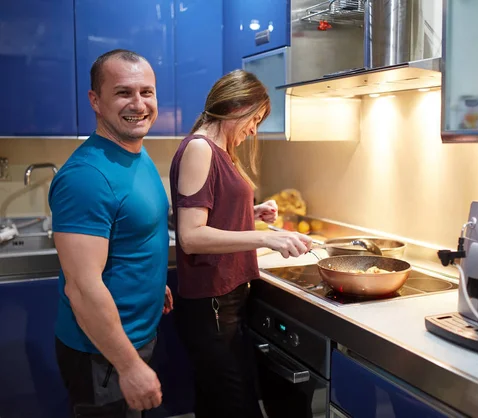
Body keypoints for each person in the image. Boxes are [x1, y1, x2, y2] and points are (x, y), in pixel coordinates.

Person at [169, 69, 313, 418]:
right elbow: (191, 236)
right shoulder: (201, 148)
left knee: (217, 404)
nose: (254, 129)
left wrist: (249, 211)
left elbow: (209, 211)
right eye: (255, 119)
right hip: (212, 305)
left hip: (224, 300)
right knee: (235, 407)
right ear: (236, 107)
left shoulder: (217, 149)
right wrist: (267, 237)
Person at [49, 49, 173, 417]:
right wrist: (129, 367)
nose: (139, 104)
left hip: (132, 334)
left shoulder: (136, 152)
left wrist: (151, 283)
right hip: (103, 354)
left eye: (146, 92)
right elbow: (83, 288)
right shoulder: (86, 177)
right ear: (95, 100)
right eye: (123, 92)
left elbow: (132, 233)